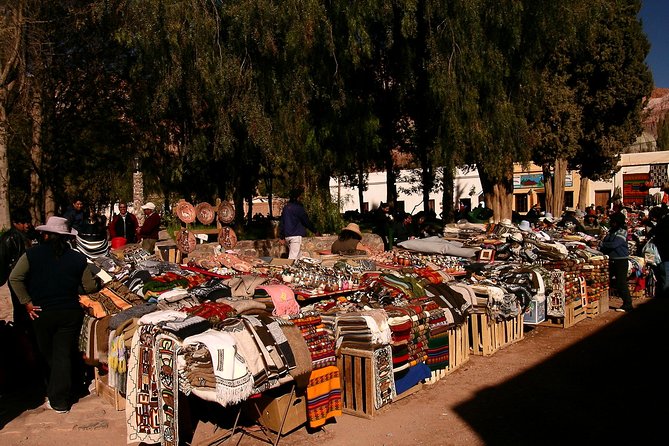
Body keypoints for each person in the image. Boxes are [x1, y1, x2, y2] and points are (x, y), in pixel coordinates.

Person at [8, 216, 100, 413]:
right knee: (63, 354)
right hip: (69, 312)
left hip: (41, 313)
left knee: (48, 353)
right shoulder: (77, 257)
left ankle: (56, 396)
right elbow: (90, 285)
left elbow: (15, 278)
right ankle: (60, 396)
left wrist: (27, 303)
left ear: (46, 234)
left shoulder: (32, 254)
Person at [0, 210, 36, 352]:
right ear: (15, 223)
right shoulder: (8, 238)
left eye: (28, 222)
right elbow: (3, 260)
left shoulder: (30, 235)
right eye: (24, 222)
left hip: (30, 278)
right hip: (18, 279)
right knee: (20, 308)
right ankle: (22, 338)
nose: (27, 225)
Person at [599, 212, 634, 312]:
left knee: (621, 282)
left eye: (613, 221)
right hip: (612, 260)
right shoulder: (612, 231)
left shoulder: (622, 232)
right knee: (607, 281)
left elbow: (615, 244)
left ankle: (628, 304)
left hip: (620, 260)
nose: (611, 223)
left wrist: (601, 244)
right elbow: (606, 241)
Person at [279, 188, 318, 259]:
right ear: (297, 197)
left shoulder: (286, 208)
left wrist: (281, 236)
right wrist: (314, 230)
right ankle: (288, 269)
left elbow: (282, 222)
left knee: (298, 257)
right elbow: (306, 221)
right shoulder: (298, 208)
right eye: (300, 196)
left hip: (287, 235)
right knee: (292, 258)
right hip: (295, 236)